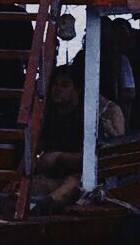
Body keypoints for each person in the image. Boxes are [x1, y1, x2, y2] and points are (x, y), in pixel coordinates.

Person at [32, 65, 124, 209]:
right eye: (55, 84)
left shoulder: (88, 120)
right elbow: (35, 148)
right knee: (31, 186)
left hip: (82, 180)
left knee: (72, 184)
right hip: (51, 176)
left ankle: (44, 208)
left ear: (78, 90)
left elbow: (91, 161)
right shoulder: (48, 116)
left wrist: (59, 157)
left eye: (65, 85)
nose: (58, 89)